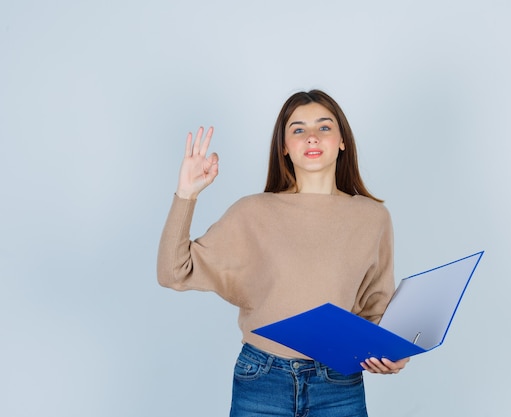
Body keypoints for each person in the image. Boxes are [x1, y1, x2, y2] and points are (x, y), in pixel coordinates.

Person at [157, 89, 409, 416]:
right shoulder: (253, 212)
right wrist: (185, 194)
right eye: (298, 130)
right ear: (285, 148)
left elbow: (376, 310)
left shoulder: (373, 218)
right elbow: (173, 271)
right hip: (262, 379)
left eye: (324, 127)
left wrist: (391, 353)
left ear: (342, 140)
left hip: (339, 384)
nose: (312, 137)